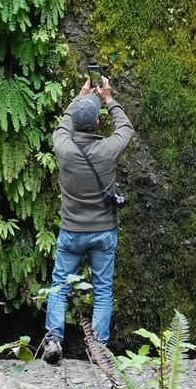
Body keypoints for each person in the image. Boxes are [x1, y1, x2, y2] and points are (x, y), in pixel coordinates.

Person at [41, 74, 134, 364]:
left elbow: (63, 125)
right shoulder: (107, 150)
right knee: (103, 289)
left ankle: (53, 340)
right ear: (96, 122)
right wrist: (109, 99)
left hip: (71, 230)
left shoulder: (63, 148)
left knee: (59, 285)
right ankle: (98, 348)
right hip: (104, 231)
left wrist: (79, 98)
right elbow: (126, 127)